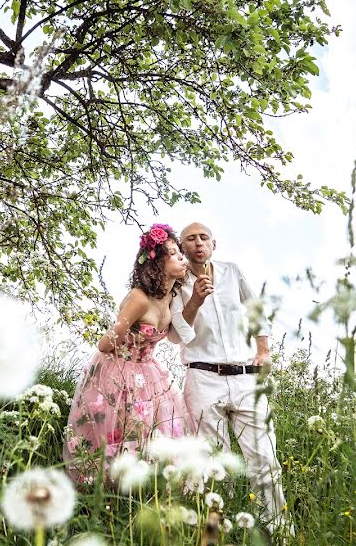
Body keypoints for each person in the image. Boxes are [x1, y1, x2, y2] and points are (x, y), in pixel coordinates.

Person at [168, 222, 291, 532]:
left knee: (264, 456)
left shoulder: (231, 272)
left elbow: (256, 309)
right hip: (203, 378)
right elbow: (174, 336)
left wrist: (263, 350)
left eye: (203, 237)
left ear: (214, 243)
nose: (198, 243)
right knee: (213, 462)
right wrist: (194, 299)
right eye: (190, 239)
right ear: (182, 248)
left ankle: (276, 530)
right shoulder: (175, 285)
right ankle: (216, 532)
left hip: (245, 377)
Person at [63, 223, 192, 484]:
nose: (181, 256)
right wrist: (125, 340)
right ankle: (108, 497)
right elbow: (104, 344)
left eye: (180, 251)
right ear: (156, 263)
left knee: (150, 436)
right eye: (172, 253)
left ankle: (143, 492)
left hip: (149, 373)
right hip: (118, 369)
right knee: (118, 437)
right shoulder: (139, 298)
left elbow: (180, 335)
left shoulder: (169, 298)